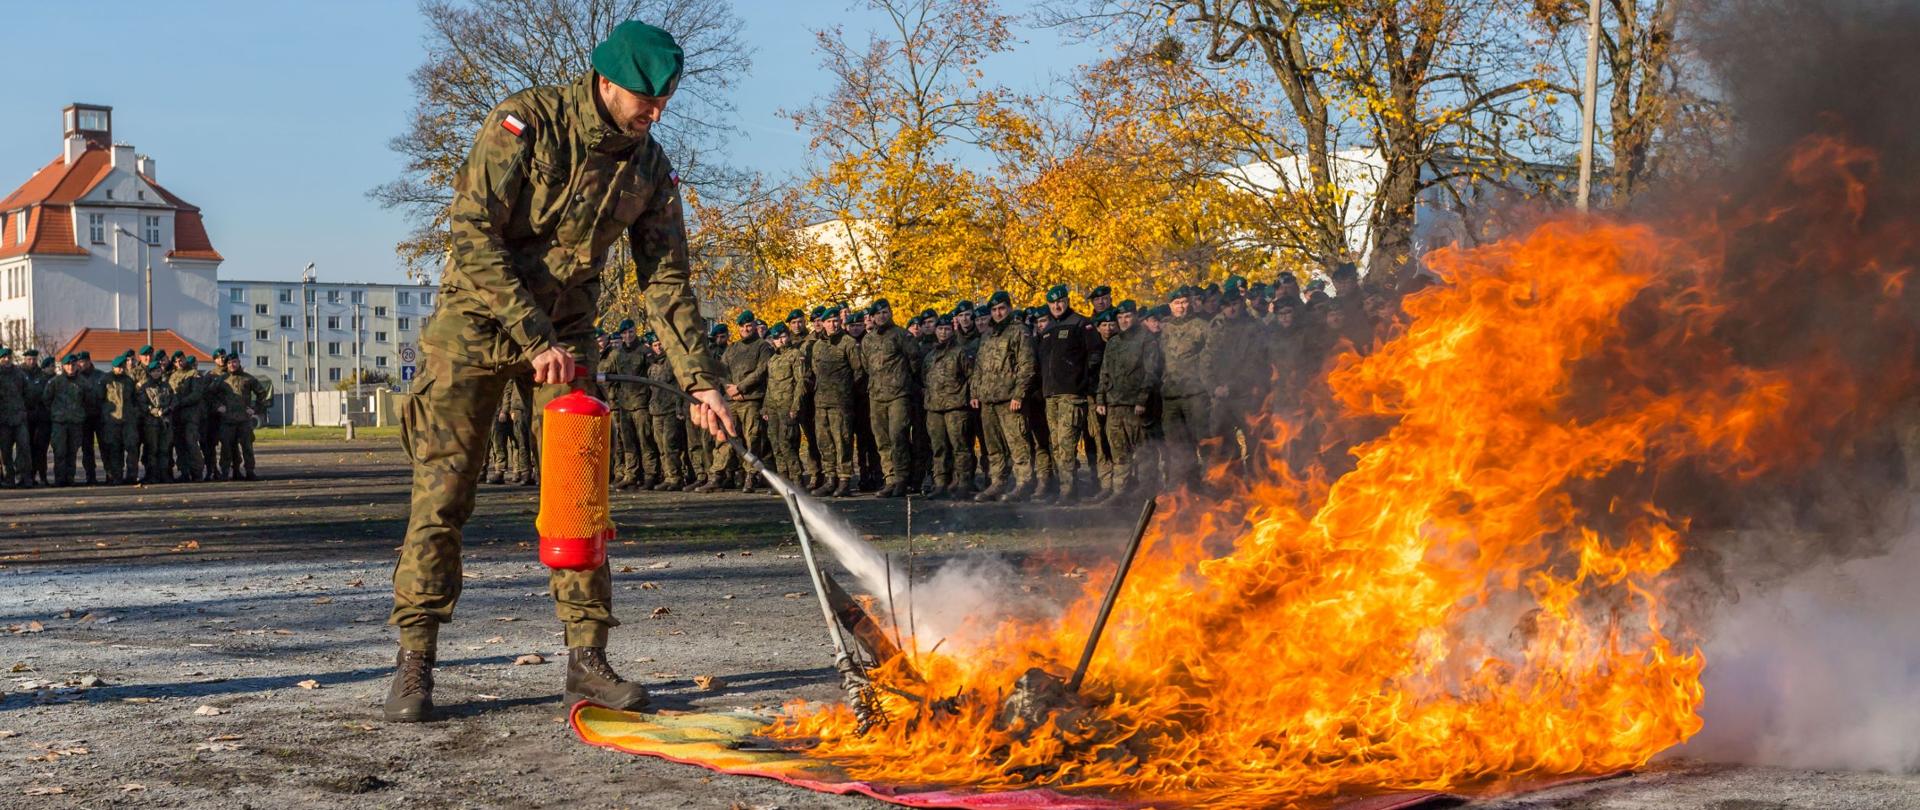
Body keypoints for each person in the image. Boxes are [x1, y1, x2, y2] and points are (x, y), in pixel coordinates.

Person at [385, 20, 735, 724]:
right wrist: (530, 331)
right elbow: (471, 233)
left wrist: (701, 379)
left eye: (665, 99)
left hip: (567, 338)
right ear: (607, 83)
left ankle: (587, 660)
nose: (655, 112)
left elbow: (665, 282)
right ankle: (415, 660)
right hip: (475, 325)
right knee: (443, 493)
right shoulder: (525, 123)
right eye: (645, 97)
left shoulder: (648, 168)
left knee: (579, 495)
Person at [1035, 284, 1101, 503]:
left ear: (1067, 300)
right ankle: (1062, 489)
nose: (1057, 305)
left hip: (1072, 395)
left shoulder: (1081, 324)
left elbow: (1095, 356)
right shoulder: (1047, 330)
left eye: (1060, 300)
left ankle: (1068, 492)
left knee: (1066, 444)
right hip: (1050, 395)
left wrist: (1083, 383)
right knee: (1055, 443)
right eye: (1052, 302)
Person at [971, 291, 1037, 502]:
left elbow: (1027, 366)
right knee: (993, 447)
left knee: (1018, 443)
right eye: (994, 309)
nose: (998, 313)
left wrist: (1019, 394)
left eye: (1001, 308)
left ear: (1009, 308)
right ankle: (997, 483)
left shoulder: (1019, 331)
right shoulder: (987, 335)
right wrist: (975, 391)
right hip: (988, 399)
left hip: (1010, 400)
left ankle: (1024, 483)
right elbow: (979, 367)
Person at [1096, 305, 1160, 501]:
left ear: (1135, 317)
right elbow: (1105, 372)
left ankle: (1146, 493)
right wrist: (1101, 398)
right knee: (1119, 451)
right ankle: (1120, 492)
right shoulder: (1113, 342)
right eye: (1121, 317)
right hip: (1114, 405)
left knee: (1143, 452)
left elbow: (1151, 372)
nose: (1124, 320)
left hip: (1135, 406)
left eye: (1128, 316)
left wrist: (1142, 399)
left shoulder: (1146, 339)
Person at [858, 299, 920, 497]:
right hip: (876, 395)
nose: (882, 316)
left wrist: (903, 381)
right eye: (878, 314)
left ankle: (903, 478)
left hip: (899, 394)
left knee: (898, 435)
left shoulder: (902, 335)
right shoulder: (868, 340)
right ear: (873, 317)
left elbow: (915, 362)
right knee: (882, 439)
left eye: (885, 312)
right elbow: (867, 366)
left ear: (890, 313)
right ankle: (890, 478)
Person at [709, 311, 771, 492]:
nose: (746, 329)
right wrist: (730, 388)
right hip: (732, 399)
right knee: (725, 436)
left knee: (753, 438)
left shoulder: (762, 347)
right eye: (743, 326)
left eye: (749, 325)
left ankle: (751, 476)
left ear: (754, 325)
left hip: (751, 399)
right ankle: (717, 476)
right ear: (739, 328)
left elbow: (761, 370)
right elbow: (722, 370)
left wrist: (741, 387)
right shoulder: (733, 348)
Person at [1158, 286, 1213, 488]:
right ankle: (1185, 488)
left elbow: (1212, 357)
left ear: (1189, 303)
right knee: (1177, 445)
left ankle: (1211, 482)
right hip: (1171, 396)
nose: (1180, 307)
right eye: (1176, 303)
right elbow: (1158, 360)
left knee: (1203, 440)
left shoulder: (1202, 326)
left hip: (1196, 393)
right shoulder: (1164, 330)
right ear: (1170, 306)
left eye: (1183, 302)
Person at [808, 306, 864, 497]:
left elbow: (858, 371)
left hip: (841, 402)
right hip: (821, 401)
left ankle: (844, 480)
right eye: (829, 322)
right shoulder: (817, 346)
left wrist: (847, 390)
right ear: (822, 324)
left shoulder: (848, 343)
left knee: (843, 441)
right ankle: (830, 478)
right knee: (825, 442)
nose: (832, 325)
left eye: (835, 321)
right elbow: (815, 372)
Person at [921, 315, 974, 499]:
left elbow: (971, 376)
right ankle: (941, 483)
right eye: (940, 329)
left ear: (952, 330)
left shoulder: (960, 351)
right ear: (935, 331)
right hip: (934, 408)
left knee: (960, 446)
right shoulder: (930, 356)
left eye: (947, 329)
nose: (943, 332)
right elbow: (924, 379)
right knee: (938, 448)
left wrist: (970, 397)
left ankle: (964, 483)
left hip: (956, 406)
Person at [604, 320, 654, 490]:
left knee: (645, 440)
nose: (628, 336)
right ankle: (631, 474)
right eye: (624, 333)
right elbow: (605, 371)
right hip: (624, 404)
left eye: (631, 332)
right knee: (628, 442)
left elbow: (653, 376)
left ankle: (650, 475)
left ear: (635, 332)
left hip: (641, 403)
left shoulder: (644, 352)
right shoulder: (617, 354)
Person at [762, 324, 809, 485]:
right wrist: (766, 407)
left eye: (783, 336)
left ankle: (796, 476)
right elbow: (770, 385)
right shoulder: (773, 359)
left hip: (787, 405)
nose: (781, 341)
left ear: (788, 336)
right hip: (774, 406)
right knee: (775, 442)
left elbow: (800, 382)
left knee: (786, 442)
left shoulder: (795, 355)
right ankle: (783, 475)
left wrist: (796, 406)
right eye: (777, 338)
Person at [212, 356, 265, 480]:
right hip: (227, 420)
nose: (232, 365)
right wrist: (218, 406)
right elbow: (209, 395)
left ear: (239, 362)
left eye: (234, 362)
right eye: (229, 363)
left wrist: (255, 409)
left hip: (244, 420)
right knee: (226, 447)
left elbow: (262, 394)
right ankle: (225, 472)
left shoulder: (248, 378)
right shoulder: (222, 379)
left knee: (247, 446)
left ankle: (250, 471)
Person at [101, 354, 141, 485]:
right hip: (112, 421)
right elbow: (99, 399)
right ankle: (116, 477)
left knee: (132, 448)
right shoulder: (106, 380)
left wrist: (134, 413)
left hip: (128, 421)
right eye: (119, 367)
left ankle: (132, 476)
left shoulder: (129, 380)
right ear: (113, 367)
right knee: (114, 450)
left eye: (123, 366)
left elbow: (135, 399)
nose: (122, 369)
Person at [46, 355, 85, 487]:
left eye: (73, 364)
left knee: (72, 451)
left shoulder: (82, 382)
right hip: (60, 422)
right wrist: (55, 412)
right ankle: (60, 479)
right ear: (63, 366)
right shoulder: (55, 381)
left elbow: (90, 399)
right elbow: (46, 399)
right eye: (67, 364)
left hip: (75, 422)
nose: (70, 367)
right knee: (60, 451)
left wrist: (81, 413)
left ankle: (70, 478)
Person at [138, 361, 175, 484]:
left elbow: (174, 399)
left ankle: (164, 474)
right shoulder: (145, 387)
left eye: (158, 371)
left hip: (165, 421)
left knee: (164, 449)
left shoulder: (166, 386)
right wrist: (154, 411)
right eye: (153, 371)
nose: (156, 373)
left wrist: (169, 408)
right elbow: (142, 404)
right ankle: (152, 475)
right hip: (151, 422)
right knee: (152, 450)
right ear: (150, 373)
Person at [0, 348, 27, 487]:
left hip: (19, 416)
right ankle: (9, 479)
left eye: (8, 357)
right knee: (5, 451)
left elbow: (27, 392)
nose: (6, 359)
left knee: (24, 447)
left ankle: (25, 478)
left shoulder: (19, 374)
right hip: (3, 419)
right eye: (3, 357)